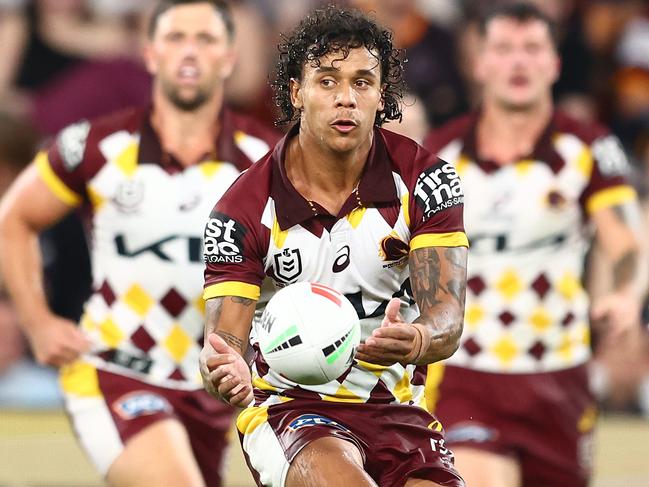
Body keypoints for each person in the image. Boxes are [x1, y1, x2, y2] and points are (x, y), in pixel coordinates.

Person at [0, 1, 279, 486]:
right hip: (117, 368)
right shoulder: (97, 146)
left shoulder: (270, 160)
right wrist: (39, 322)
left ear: (230, 57)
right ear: (149, 53)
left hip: (215, 389)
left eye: (206, 39)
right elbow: (14, 218)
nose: (189, 52)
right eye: (175, 38)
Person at [199, 6, 468, 487]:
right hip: (288, 409)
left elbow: (447, 318)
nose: (346, 99)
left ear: (381, 93)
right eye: (327, 81)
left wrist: (422, 339)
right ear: (296, 92)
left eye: (362, 82)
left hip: (395, 408)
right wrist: (227, 371)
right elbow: (224, 346)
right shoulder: (241, 208)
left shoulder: (427, 181)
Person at [423, 3, 647, 487]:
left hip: (560, 375)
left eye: (532, 48)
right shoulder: (440, 156)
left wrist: (627, 296)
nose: (518, 62)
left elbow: (626, 242)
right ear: (478, 63)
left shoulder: (587, 148)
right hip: (467, 373)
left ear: (555, 63)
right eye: (503, 49)